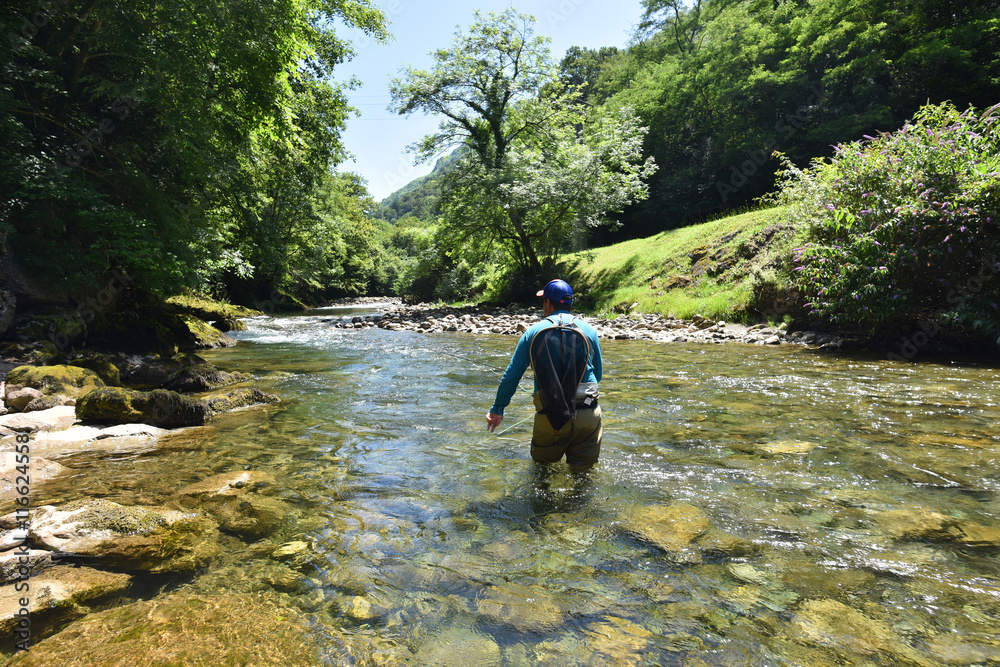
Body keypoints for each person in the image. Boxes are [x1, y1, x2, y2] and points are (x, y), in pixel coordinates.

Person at [486, 279, 604, 468]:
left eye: (543, 301)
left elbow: (512, 375)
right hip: (588, 410)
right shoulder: (589, 331)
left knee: (543, 472)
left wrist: (498, 408)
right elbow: (597, 375)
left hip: (550, 415)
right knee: (584, 476)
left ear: (548, 303)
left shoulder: (533, 332)